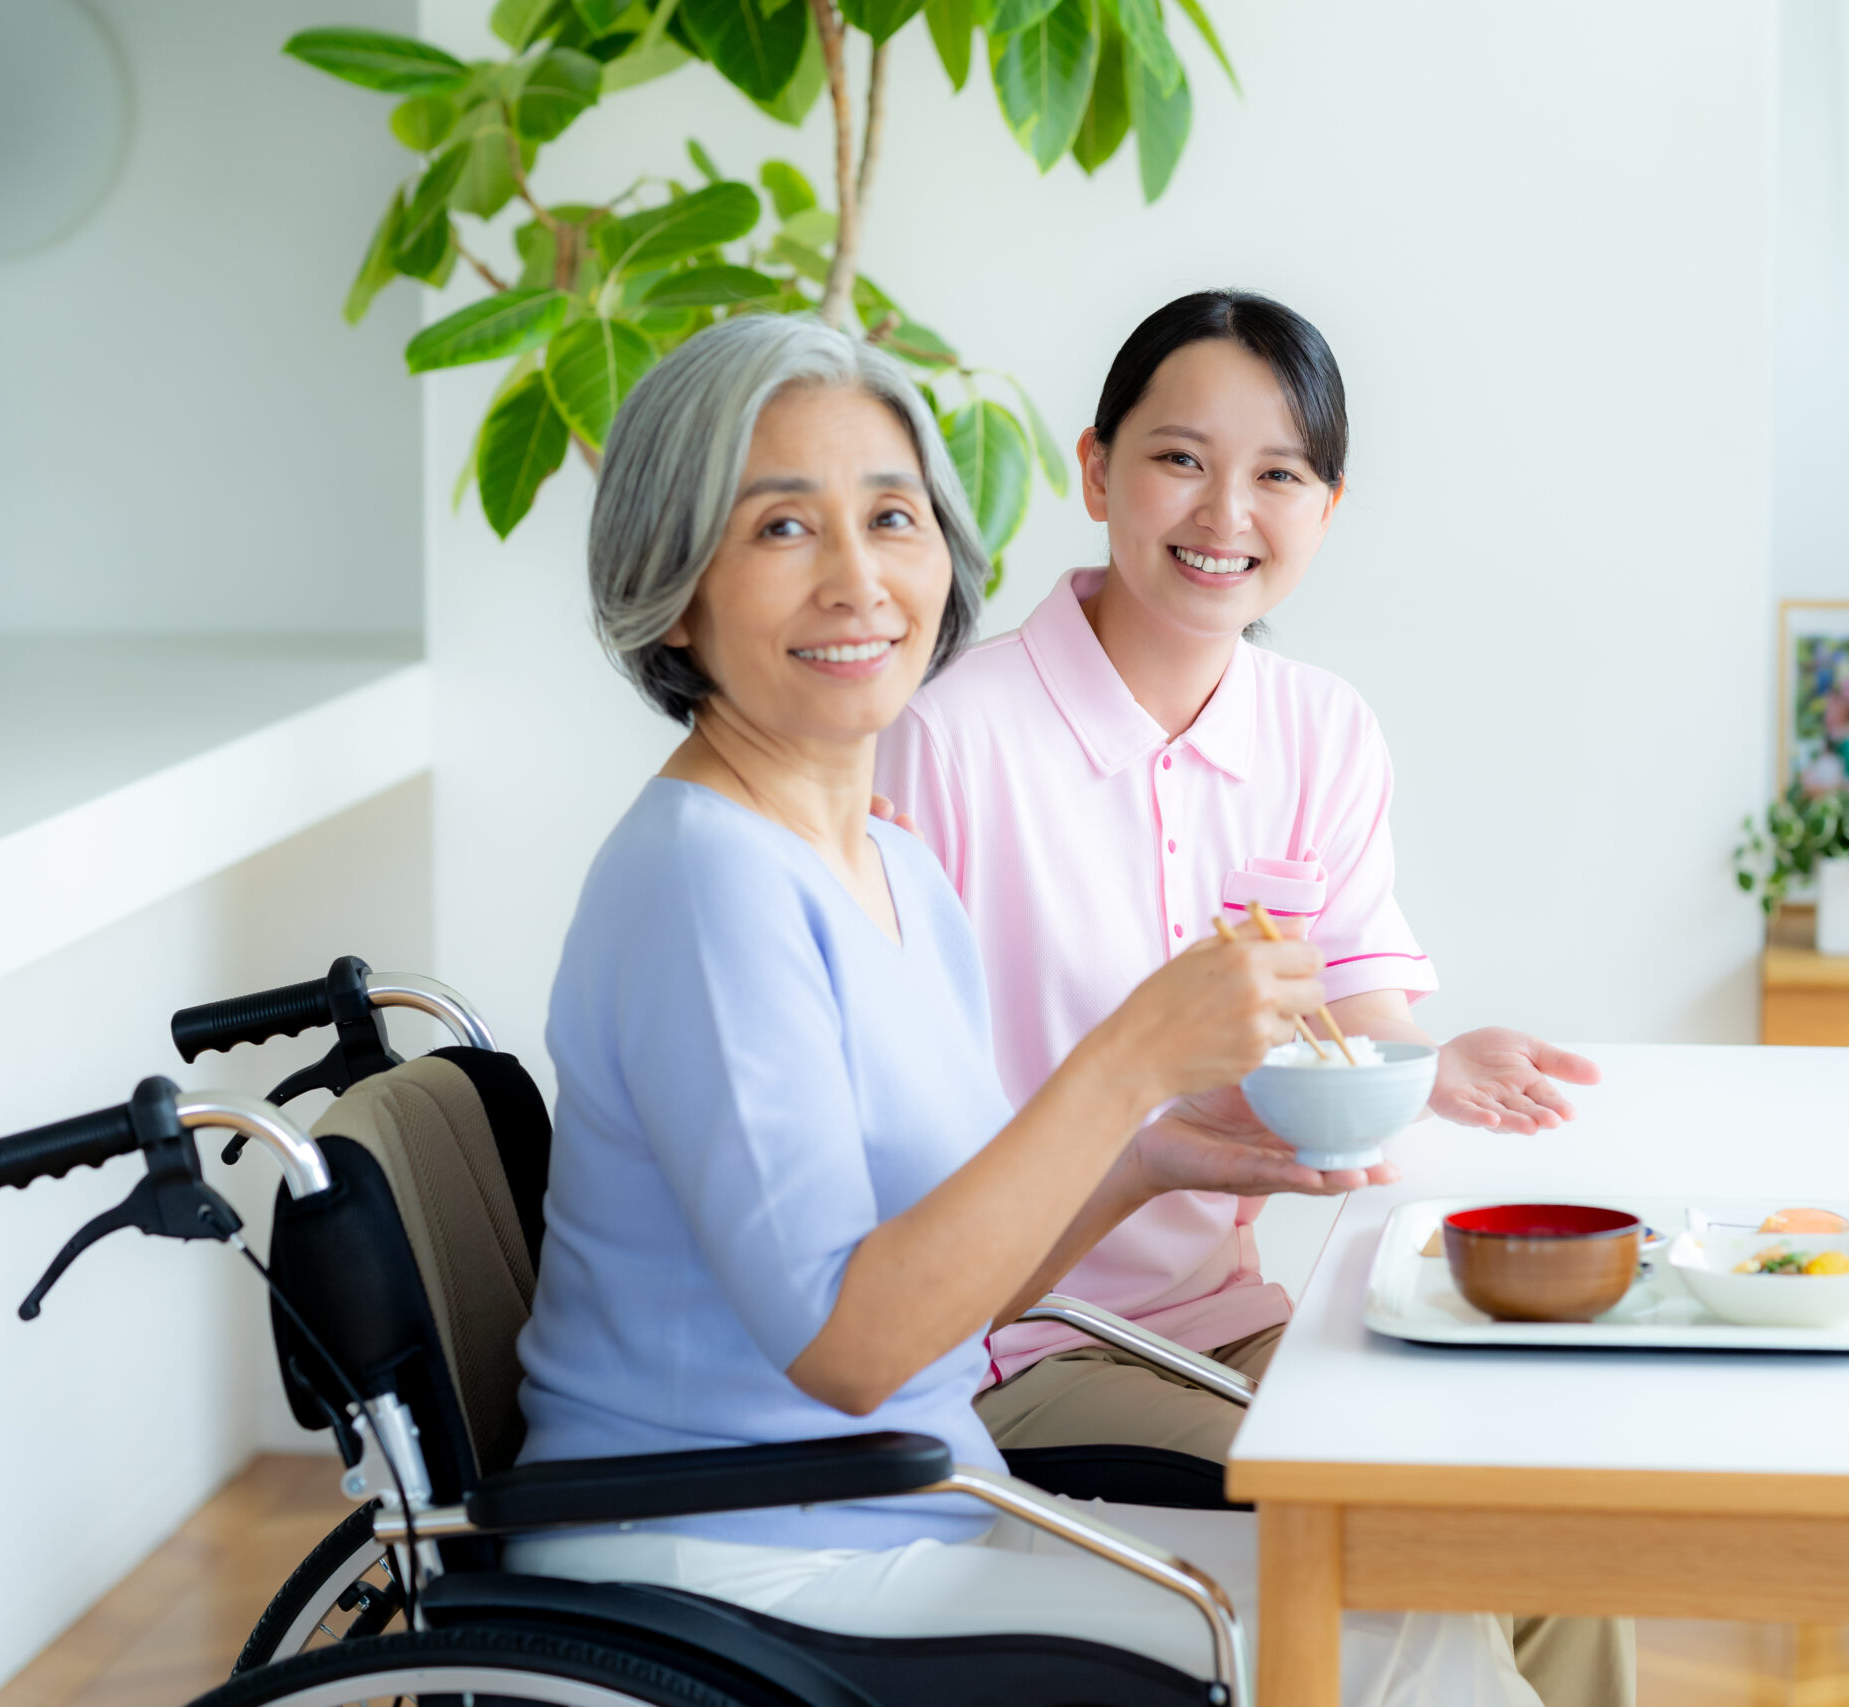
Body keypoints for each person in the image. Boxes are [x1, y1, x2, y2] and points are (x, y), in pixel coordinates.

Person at [508, 313, 1541, 1703]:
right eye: (779, 531)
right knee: (1403, 1635)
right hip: (738, 1556)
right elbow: (856, 1348)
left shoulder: (884, 861)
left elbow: (954, 1282)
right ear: (672, 589)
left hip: (901, 1507)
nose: (860, 581)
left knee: (1425, 1598)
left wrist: (1150, 1160)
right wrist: (1126, 1064)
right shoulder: (707, 884)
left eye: (892, 516)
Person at [874, 290, 1634, 1706]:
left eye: (1279, 473)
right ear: (1096, 470)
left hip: (1229, 1312)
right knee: (1415, 1556)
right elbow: (902, 1148)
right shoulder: (946, 741)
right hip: (1016, 1345)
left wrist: (1433, 1056)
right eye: (1181, 458)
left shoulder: (1321, 729)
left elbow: (1358, 1003)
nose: (1226, 509)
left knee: (1554, 1531)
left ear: (1327, 510)